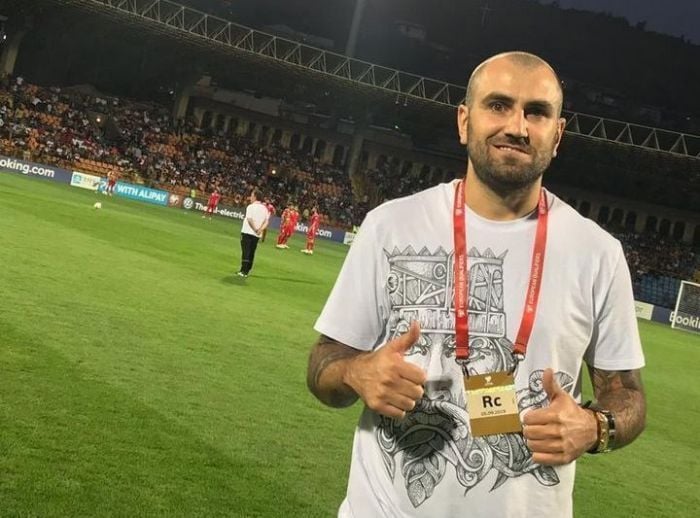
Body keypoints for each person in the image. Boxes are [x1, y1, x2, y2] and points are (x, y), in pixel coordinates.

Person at [306, 51, 646, 518]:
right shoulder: (391, 226)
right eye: (498, 105)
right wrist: (355, 372)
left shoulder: (597, 253)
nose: (517, 126)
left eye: (536, 112)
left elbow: (627, 394)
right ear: (464, 121)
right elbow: (323, 364)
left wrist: (596, 426)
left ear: (557, 135)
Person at [237, 188, 268, 278]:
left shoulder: (250, 207)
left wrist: (255, 229)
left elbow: (249, 219)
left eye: (251, 195)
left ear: (255, 196)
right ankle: (247, 270)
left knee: (246, 251)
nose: (250, 197)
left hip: (247, 232)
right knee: (252, 251)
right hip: (257, 234)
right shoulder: (264, 209)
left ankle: (243, 270)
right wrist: (260, 230)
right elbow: (266, 222)